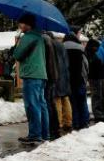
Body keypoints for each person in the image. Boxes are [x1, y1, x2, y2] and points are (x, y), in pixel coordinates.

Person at [11, 14, 49, 144]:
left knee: (32, 105)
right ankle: (44, 134)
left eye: (20, 23)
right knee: (41, 105)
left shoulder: (28, 37)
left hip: (31, 74)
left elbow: (17, 54)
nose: (19, 26)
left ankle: (34, 135)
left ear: (27, 24)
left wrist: (16, 47)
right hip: (41, 74)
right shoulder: (40, 37)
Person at [63, 29, 89, 130]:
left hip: (68, 80)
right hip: (80, 79)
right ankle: (85, 122)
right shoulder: (81, 48)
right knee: (82, 101)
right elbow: (85, 65)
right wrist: (85, 77)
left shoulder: (62, 47)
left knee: (72, 102)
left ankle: (75, 122)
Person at [48, 32, 72, 134]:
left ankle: (59, 123)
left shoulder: (50, 45)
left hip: (56, 75)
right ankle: (68, 122)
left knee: (56, 99)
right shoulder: (61, 45)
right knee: (65, 99)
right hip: (64, 75)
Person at [40, 32, 61, 139]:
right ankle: (55, 127)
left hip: (47, 75)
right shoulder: (54, 43)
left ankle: (49, 128)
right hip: (53, 75)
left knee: (47, 102)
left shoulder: (44, 41)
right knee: (51, 102)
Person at [87, 38, 104, 121]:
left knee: (100, 95)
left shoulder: (91, 54)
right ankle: (98, 113)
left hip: (98, 77)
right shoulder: (91, 55)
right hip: (95, 77)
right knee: (97, 95)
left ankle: (101, 112)